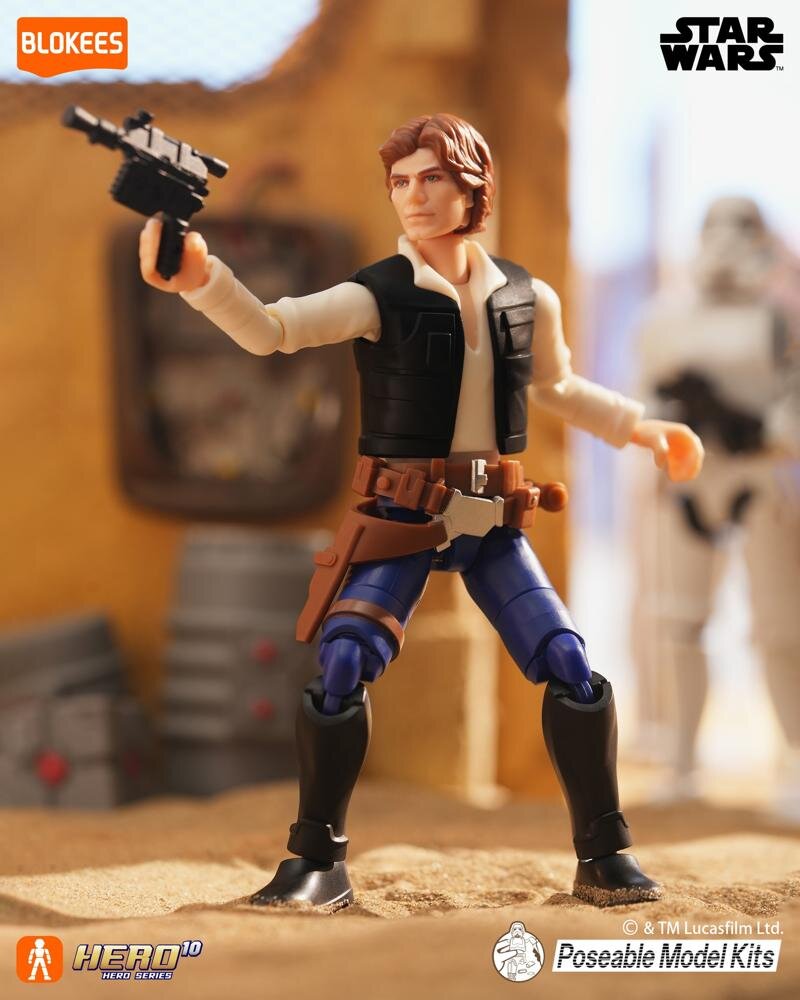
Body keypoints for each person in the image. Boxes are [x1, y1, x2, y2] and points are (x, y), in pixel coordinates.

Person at [140, 113, 703, 909]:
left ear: (473, 186)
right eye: (401, 182)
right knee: (342, 664)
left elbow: (556, 386)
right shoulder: (377, 294)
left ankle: (605, 856)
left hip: (493, 517)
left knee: (571, 668)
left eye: (432, 177)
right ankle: (316, 863)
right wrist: (202, 280)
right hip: (403, 516)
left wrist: (641, 428)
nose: (414, 195)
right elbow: (272, 331)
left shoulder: (526, 296)